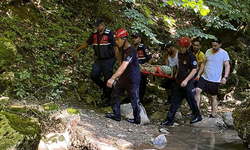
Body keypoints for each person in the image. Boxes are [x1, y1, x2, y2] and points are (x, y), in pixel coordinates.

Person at [72, 17, 121, 105]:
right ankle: (104, 88)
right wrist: (77, 50)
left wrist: (119, 61)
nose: (96, 28)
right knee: (94, 75)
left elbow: (115, 48)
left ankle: (108, 99)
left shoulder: (109, 33)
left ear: (102, 24)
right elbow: (86, 43)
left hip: (109, 60)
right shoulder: (94, 34)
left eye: (98, 26)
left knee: (108, 79)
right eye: (95, 26)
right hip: (99, 60)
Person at [161, 37, 202, 126]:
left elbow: (194, 70)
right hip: (179, 81)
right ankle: (170, 119)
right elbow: (180, 65)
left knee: (191, 99)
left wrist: (186, 81)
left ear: (187, 47)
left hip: (188, 82)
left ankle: (197, 115)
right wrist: (177, 75)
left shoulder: (191, 57)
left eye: (183, 47)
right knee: (175, 100)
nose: (181, 49)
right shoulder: (180, 54)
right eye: (180, 47)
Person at [106, 28, 141, 124]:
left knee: (134, 99)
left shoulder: (131, 51)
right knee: (115, 94)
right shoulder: (123, 48)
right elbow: (120, 61)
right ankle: (116, 114)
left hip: (133, 78)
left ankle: (137, 120)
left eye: (118, 40)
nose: (117, 42)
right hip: (124, 77)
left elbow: (124, 65)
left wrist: (113, 78)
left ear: (124, 39)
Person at [195, 38, 230, 118]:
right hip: (205, 76)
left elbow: (227, 66)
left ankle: (213, 113)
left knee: (213, 96)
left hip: (215, 79)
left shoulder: (224, 53)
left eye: (215, 46)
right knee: (197, 90)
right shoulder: (208, 51)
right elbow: (203, 63)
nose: (213, 47)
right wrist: (199, 74)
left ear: (220, 44)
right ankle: (196, 111)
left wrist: (225, 77)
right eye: (212, 45)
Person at [132, 31, 152, 103]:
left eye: (136, 38)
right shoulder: (132, 48)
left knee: (142, 85)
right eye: (133, 38)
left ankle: (140, 99)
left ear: (140, 39)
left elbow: (149, 58)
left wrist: (148, 69)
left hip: (142, 70)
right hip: (134, 70)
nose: (134, 39)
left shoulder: (143, 47)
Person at [161, 40, 179, 105]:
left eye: (167, 49)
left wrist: (177, 73)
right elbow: (166, 65)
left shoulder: (178, 54)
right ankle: (169, 97)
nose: (166, 51)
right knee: (166, 84)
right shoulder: (166, 55)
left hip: (177, 70)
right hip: (170, 70)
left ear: (171, 47)